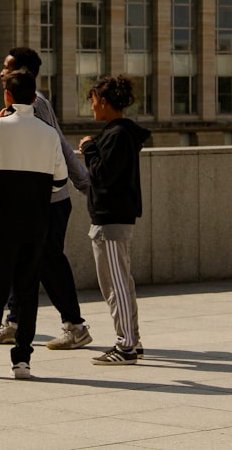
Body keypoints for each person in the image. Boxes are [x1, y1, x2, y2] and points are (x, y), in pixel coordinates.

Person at [0, 69, 68, 379]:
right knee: (28, 292)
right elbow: (60, 180)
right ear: (35, 98)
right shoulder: (48, 133)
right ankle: (22, 360)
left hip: (0, 222)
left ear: (7, 96)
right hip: (35, 223)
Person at [0, 48, 92, 350]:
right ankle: (13, 322)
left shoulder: (30, 108)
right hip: (37, 201)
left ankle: (75, 326)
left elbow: (58, 145)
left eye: (7, 67)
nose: (1, 72)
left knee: (49, 261)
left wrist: (83, 181)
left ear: (22, 73)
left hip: (48, 201)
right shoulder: (30, 104)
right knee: (22, 259)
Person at [79, 75, 150, 366]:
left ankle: (126, 346)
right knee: (119, 283)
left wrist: (88, 148)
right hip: (113, 217)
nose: (92, 107)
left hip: (112, 219)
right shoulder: (119, 134)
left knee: (117, 284)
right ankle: (131, 339)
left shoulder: (117, 136)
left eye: (94, 101)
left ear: (105, 102)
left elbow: (102, 175)